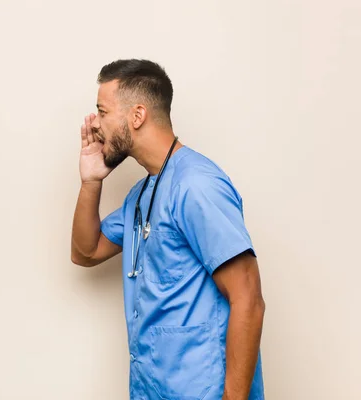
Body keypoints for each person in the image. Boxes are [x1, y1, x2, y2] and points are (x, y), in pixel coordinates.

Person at [70, 59, 265, 400]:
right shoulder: (143, 192)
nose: (96, 125)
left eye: (103, 112)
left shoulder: (196, 185)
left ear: (137, 115)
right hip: (152, 389)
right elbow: (86, 252)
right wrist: (90, 181)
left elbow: (248, 297)